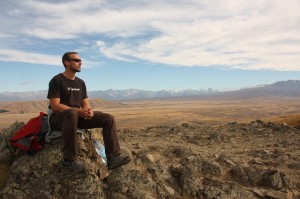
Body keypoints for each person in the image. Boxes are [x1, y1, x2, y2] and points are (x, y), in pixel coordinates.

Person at [47, 51, 131, 172]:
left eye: (80, 60)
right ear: (66, 62)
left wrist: (88, 111)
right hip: (59, 118)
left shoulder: (80, 83)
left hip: (77, 117)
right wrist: (77, 111)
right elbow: (54, 106)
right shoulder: (57, 80)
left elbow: (85, 102)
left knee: (108, 118)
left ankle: (113, 158)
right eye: (76, 60)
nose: (80, 63)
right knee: (72, 113)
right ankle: (70, 160)